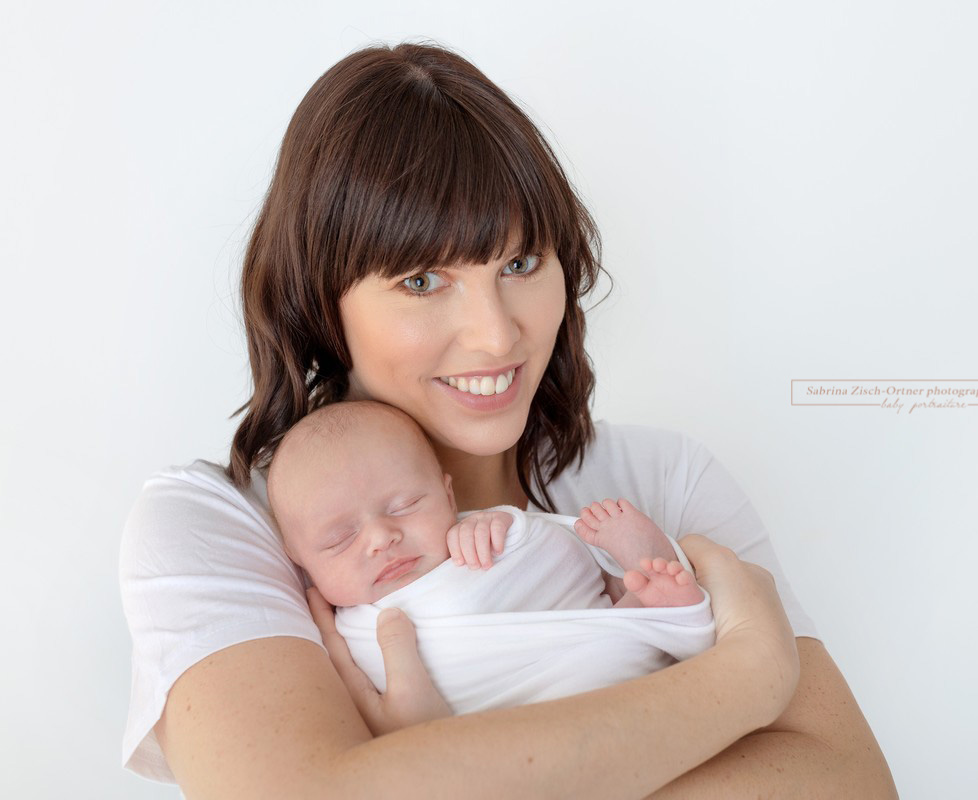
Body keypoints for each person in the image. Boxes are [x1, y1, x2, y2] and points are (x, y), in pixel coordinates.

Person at [119, 41, 899, 797]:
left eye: (520, 264)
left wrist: (425, 772)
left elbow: (849, 785)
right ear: (322, 304)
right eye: (423, 280)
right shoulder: (220, 525)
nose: (497, 334)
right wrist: (747, 676)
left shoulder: (661, 479)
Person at [267, 399, 713, 725]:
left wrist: (492, 523)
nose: (382, 538)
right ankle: (652, 606)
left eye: (405, 505)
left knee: (612, 639)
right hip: (494, 734)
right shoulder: (344, 628)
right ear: (301, 561)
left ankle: (642, 591)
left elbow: (542, 553)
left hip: (599, 666)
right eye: (339, 539)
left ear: (447, 494)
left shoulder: (470, 539)